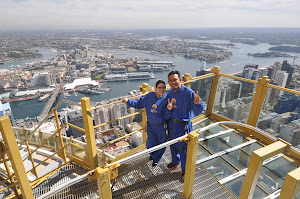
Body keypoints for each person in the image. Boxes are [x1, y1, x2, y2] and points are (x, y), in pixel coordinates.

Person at [165, 70, 204, 182]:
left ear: (180, 80)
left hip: (184, 126)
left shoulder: (188, 92)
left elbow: (197, 111)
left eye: (175, 79)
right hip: (172, 125)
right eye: (171, 80)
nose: (173, 82)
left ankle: (185, 172)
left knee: (184, 149)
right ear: (169, 82)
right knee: (173, 145)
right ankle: (176, 162)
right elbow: (168, 111)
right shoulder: (171, 93)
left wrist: (198, 103)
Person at [122, 80, 168, 167]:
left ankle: (156, 159)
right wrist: (128, 101)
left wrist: (169, 109)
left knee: (162, 144)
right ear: (155, 88)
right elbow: (138, 103)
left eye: (163, 87)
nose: (161, 89)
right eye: (159, 87)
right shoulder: (149, 97)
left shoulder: (166, 99)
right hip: (150, 125)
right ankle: (153, 155)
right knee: (150, 143)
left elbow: (168, 115)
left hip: (161, 126)